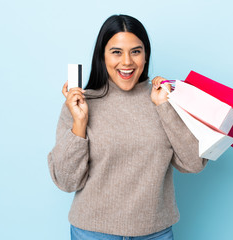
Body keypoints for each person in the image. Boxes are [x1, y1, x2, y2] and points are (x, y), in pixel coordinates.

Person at [47, 14, 208, 240]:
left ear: (145, 55)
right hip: (92, 233)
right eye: (116, 52)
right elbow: (66, 181)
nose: (127, 62)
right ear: (102, 56)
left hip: (155, 233)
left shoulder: (164, 99)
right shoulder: (80, 104)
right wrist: (80, 124)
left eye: (135, 51)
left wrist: (164, 107)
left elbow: (194, 163)